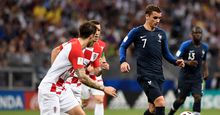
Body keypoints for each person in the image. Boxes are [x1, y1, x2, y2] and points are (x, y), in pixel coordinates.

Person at [38, 22, 116, 115]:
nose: (96, 40)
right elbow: (82, 77)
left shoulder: (76, 44)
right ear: (90, 36)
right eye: (95, 36)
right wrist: (104, 88)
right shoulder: (76, 49)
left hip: (62, 88)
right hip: (50, 89)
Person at [119, 4, 185, 115]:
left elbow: (166, 53)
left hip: (158, 75)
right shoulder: (136, 32)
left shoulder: (161, 34)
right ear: (147, 16)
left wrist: (175, 61)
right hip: (145, 74)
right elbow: (123, 46)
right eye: (155, 17)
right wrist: (123, 61)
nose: (158, 20)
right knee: (160, 102)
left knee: (153, 109)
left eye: (159, 18)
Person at [168, 26, 209, 115]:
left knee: (198, 97)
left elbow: (204, 60)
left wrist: (206, 71)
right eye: (196, 33)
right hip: (185, 77)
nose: (198, 35)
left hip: (197, 78)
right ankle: (170, 113)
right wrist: (187, 62)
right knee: (180, 100)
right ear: (191, 35)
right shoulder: (185, 45)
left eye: (199, 33)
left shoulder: (205, 47)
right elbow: (176, 58)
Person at [80, 20, 109, 115]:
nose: (97, 32)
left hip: (96, 77)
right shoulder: (82, 44)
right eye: (96, 29)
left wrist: (104, 63)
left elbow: (101, 56)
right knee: (84, 102)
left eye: (99, 30)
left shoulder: (100, 44)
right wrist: (86, 68)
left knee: (99, 99)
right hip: (83, 77)